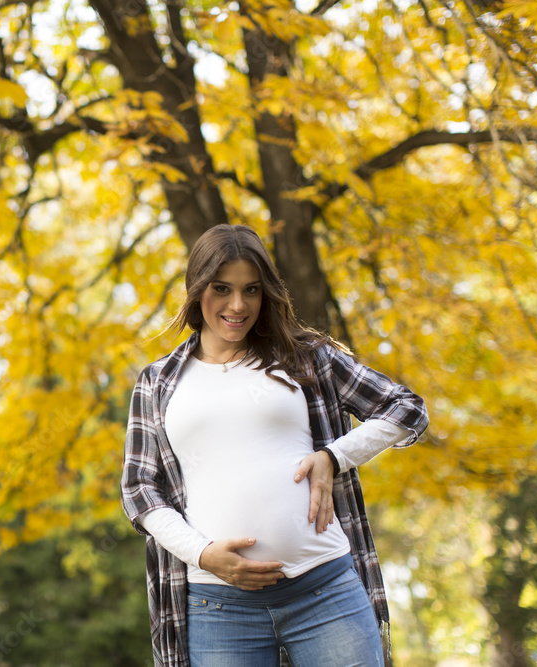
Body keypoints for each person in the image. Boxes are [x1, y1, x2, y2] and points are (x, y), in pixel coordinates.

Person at [121, 224, 429, 667]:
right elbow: (139, 490)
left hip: (325, 592)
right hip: (218, 608)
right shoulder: (158, 382)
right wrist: (203, 555)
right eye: (221, 288)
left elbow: (407, 409)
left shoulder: (306, 356)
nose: (237, 305)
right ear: (195, 289)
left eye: (251, 290)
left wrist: (333, 457)